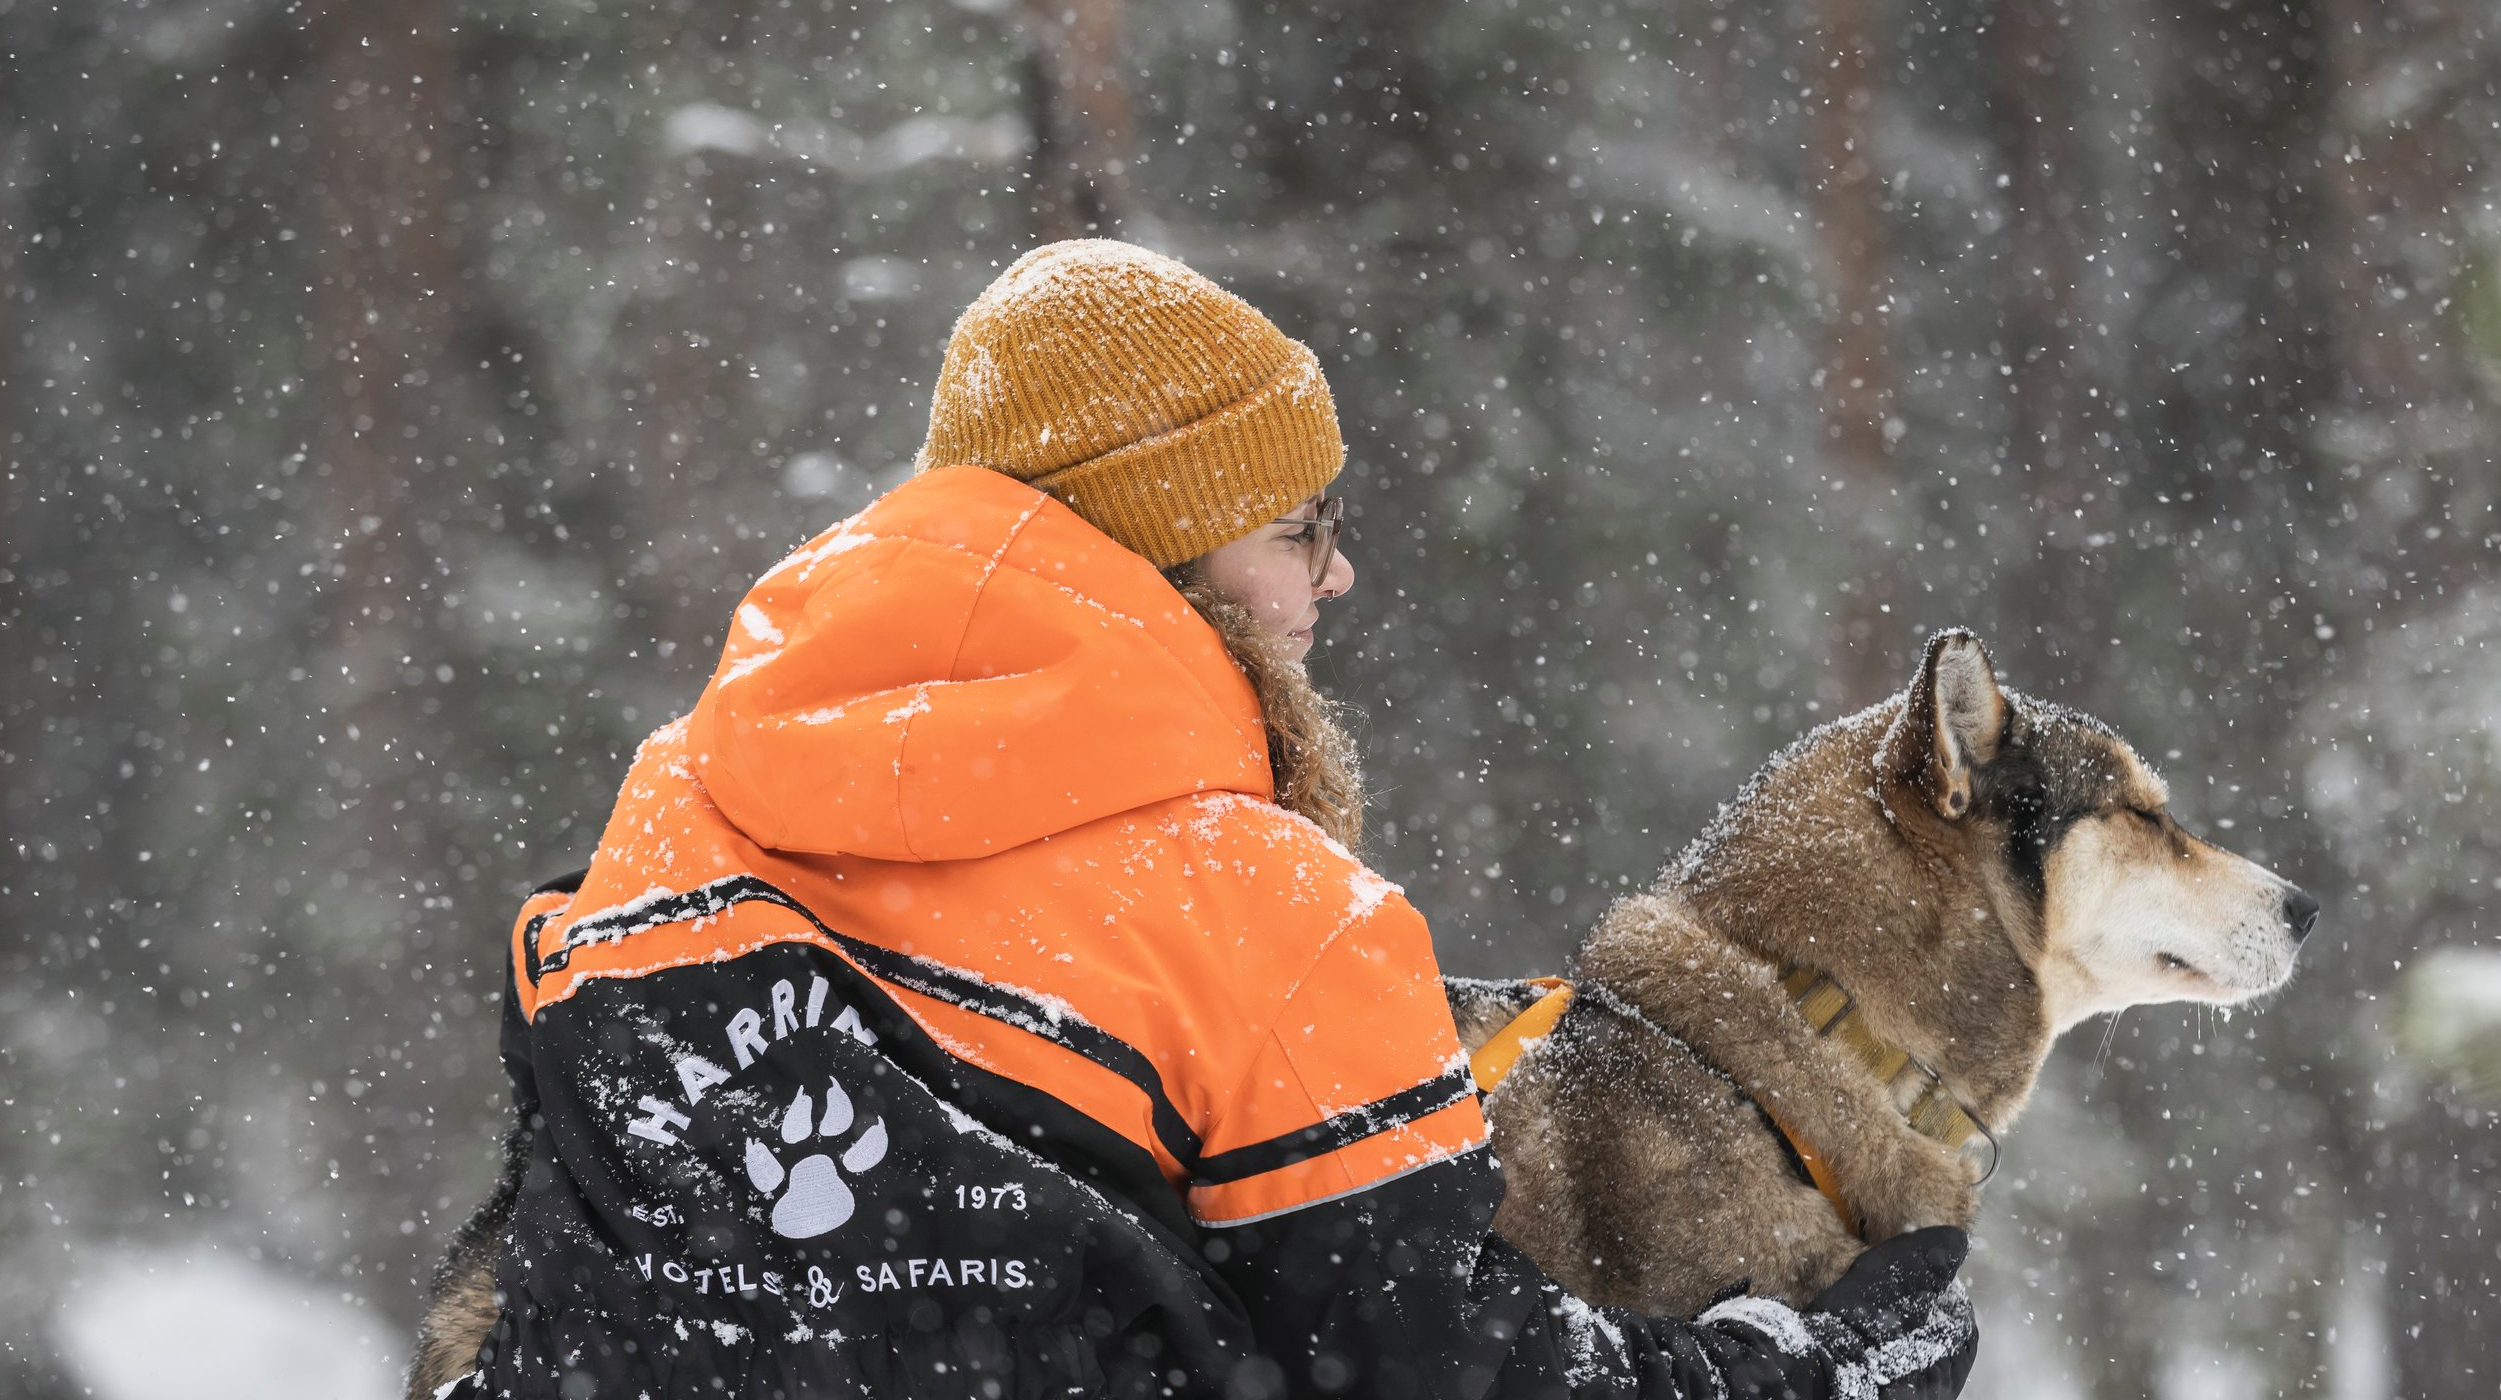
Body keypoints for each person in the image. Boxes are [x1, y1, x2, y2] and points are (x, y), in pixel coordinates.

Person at [445, 240, 1976, 1399]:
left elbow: (518, 1283)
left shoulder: (664, 823)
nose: (1337, 575)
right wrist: (1795, 1368)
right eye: (1300, 527)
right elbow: (1450, 1370)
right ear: (1161, 538)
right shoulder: (1262, 907)